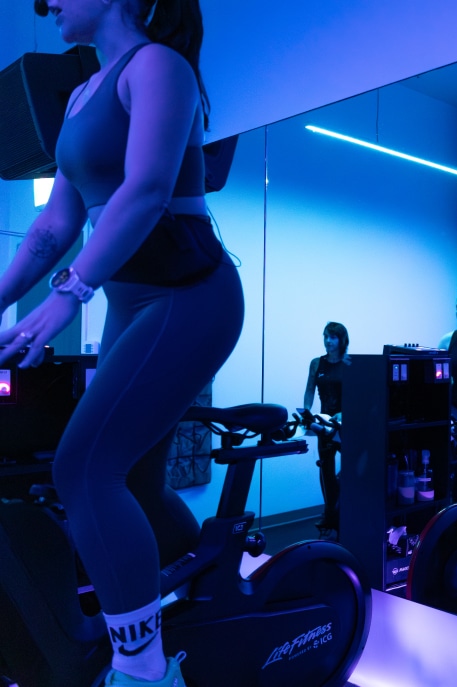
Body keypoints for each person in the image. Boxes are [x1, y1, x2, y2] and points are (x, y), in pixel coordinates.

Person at [0, 2, 241, 685]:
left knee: (81, 467)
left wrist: (69, 294)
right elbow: (54, 225)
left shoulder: (160, 68)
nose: (45, 3)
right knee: (132, 480)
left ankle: (142, 672)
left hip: (191, 296)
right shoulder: (80, 95)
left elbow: (147, 191)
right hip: (132, 302)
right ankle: (215, 597)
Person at [303, 321, 350, 536]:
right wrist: (306, 412)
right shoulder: (316, 363)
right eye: (325, 336)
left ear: (341, 340)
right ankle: (330, 513)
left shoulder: (350, 364)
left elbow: (357, 395)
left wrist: (345, 412)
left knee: (350, 470)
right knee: (326, 470)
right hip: (323, 424)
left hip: (345, 424)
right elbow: (310, 390)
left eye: (332, 337)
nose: (328, 341)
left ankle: (346, 511)